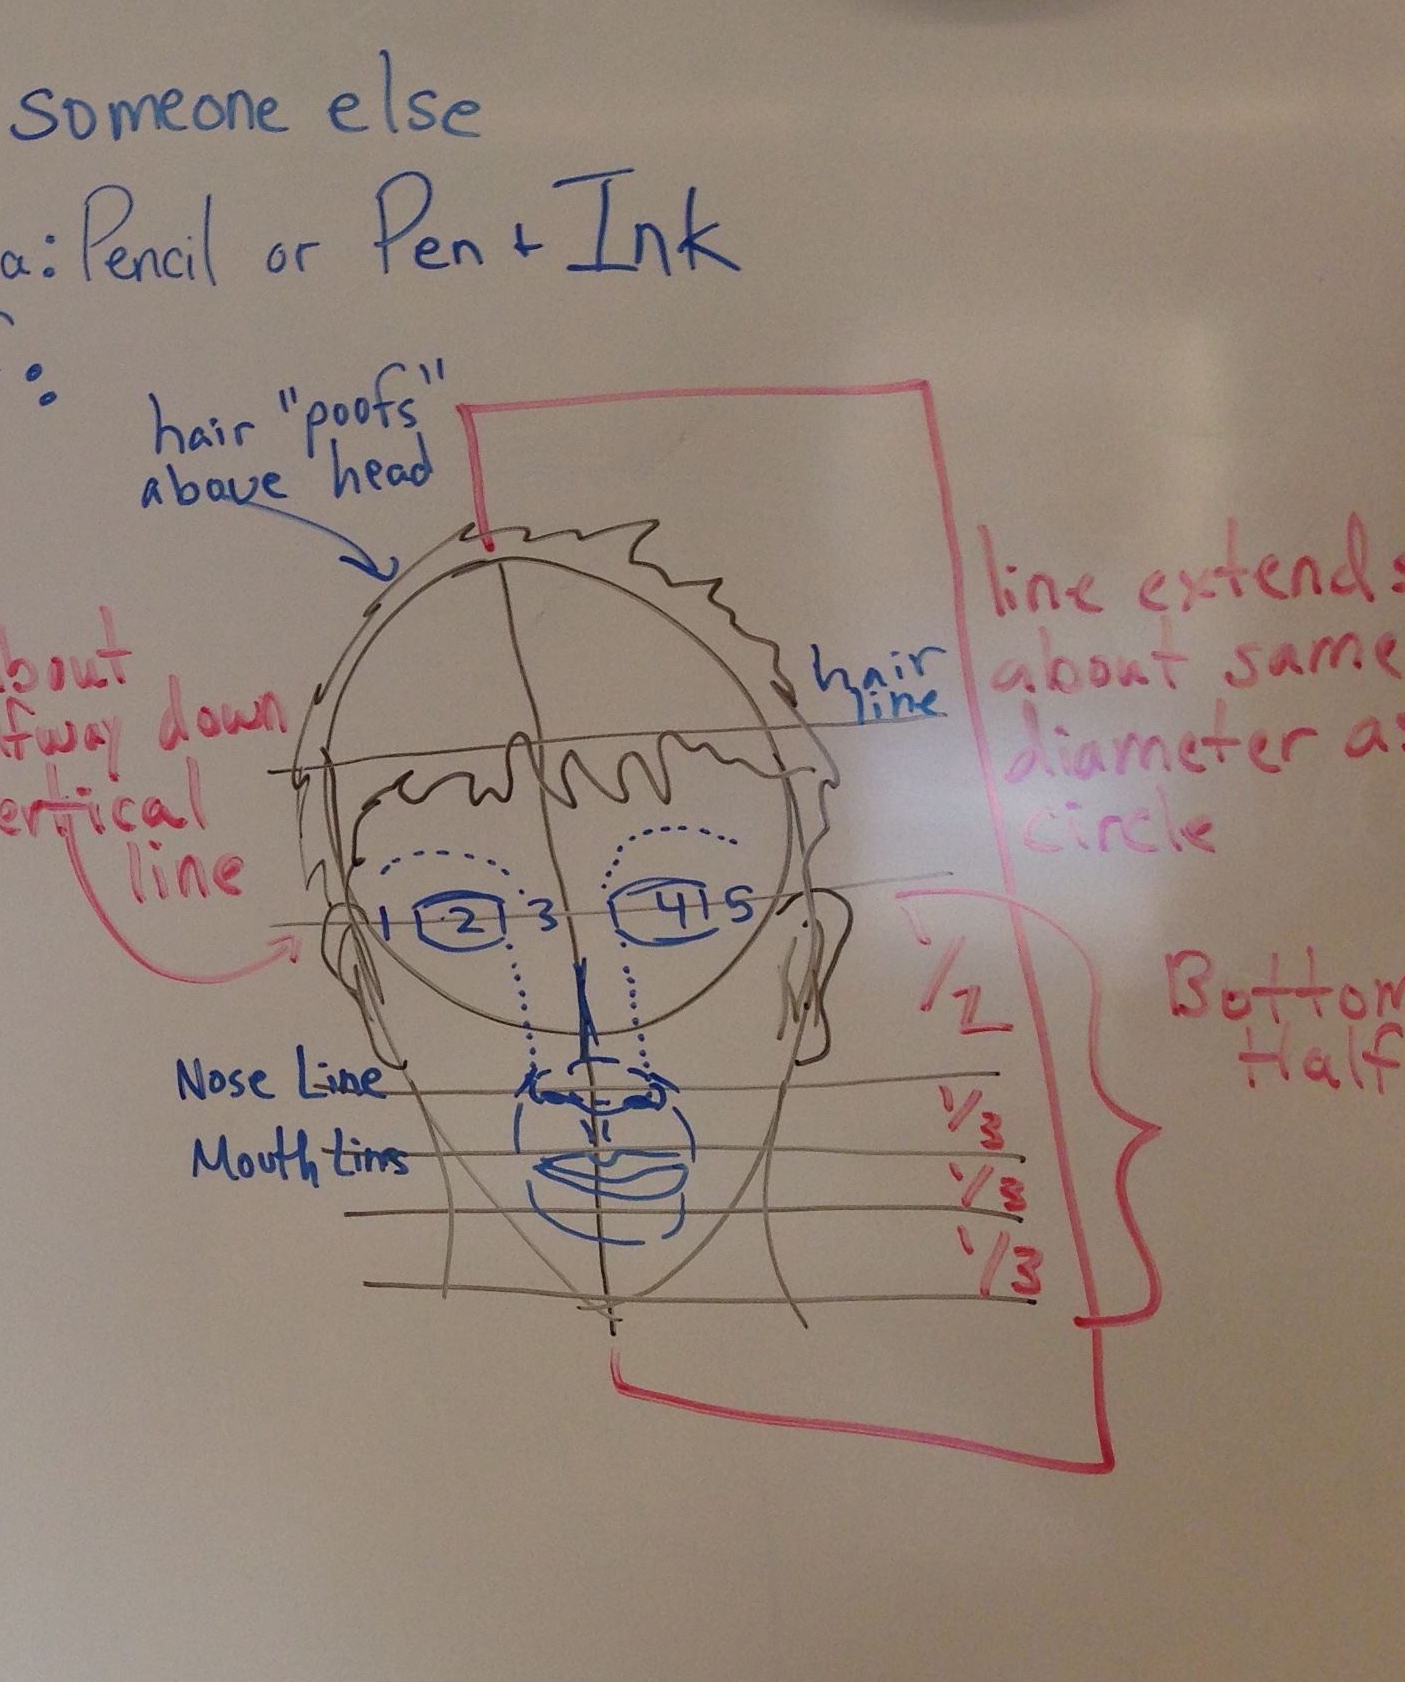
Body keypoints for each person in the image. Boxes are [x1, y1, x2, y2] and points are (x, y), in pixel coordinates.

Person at [294, 518, 1156, 1468]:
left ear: (804, 967)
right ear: (366, 985)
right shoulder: (335, 1420)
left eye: (672, 908)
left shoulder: (976, 1403)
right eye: (463, 921)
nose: (586, 1046)